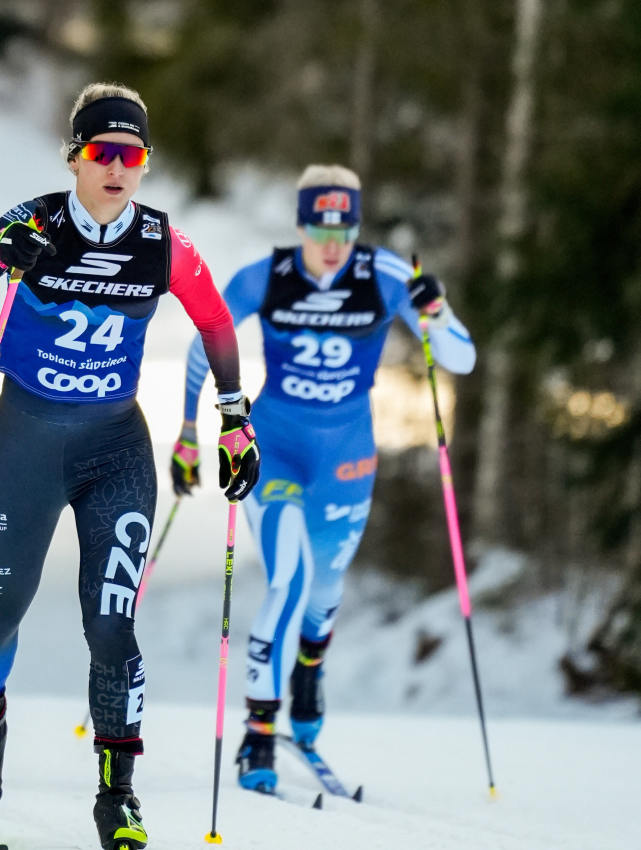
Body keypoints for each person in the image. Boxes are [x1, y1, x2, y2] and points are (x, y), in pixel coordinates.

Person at [0, 82, 259, 850]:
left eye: (132, 155)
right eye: (103, 153)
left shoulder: (163, 243)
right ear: (76, 157)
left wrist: (235, 419)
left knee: (113, 626)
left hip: (115, 450)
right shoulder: (33, 220)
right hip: (24, 443)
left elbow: (213, 318)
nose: (117, 168)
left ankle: (119, 796)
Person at [176, 165, 477, 793]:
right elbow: (207, 341)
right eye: (320, 226)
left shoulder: (386, 276)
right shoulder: (268, 277)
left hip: (347, 455)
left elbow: (461, 359)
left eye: (344, 227)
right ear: (302, 223)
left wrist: (439, 312)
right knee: (289, 577)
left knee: (324, 589)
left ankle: (309, 668)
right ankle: (259, 733)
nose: (332, 242)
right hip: (276, 445)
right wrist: (187, 428)